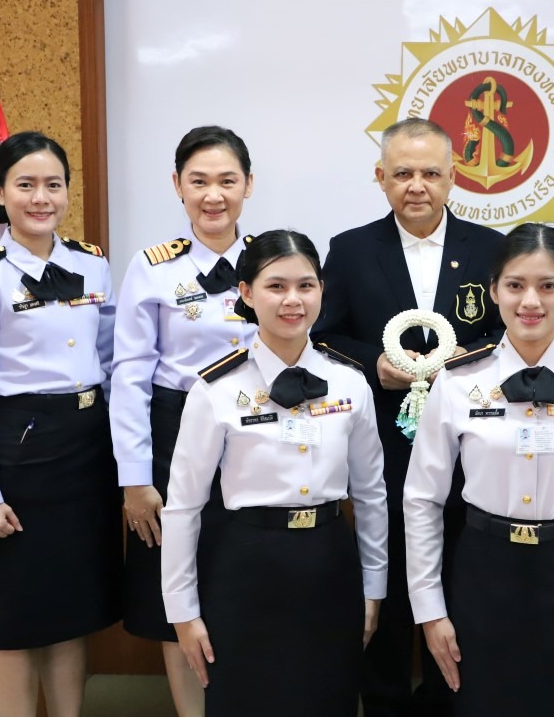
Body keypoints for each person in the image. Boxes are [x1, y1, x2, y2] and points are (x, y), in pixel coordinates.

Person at [404, 222, 554, 717]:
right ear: (493, 291)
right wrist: (429, 609)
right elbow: (423, 500)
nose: (530, 301)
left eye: (548, 286)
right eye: (515, 285)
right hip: (482, 574)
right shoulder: (457, 380)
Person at [312, 117, 505, 717]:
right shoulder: (350, 249)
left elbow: (507, 332)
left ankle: (453, 701)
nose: (416, 185)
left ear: (453, 176)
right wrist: (376, 366)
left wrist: (460, 364)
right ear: (380, 177)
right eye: (402, 173)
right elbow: (326, 334)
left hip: (472, 445)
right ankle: (387, 701)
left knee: (460, 576)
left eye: (429, 173)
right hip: (386, 439)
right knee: (390, 575)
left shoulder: (491, 249)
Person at [160, 229, 388, 713]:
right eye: (276, 286)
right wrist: (182, 611)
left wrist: (373, 589)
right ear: (246, 293)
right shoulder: (217, 389)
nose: (292, 300)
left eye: (306, 285)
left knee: (328, 700)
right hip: (246, 567)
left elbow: (371, 496)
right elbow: (183, 507)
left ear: (322, 291)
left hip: (330, 565)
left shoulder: (349, 383)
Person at [0, 131, 121, 717]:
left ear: (67, 191)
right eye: (25, 185)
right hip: (19, 452)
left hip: (86, 449)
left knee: (70, 611)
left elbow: (110, 361)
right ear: (0, 192)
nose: (41, 198)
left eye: (53, 185)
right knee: (14, 619)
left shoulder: (92, 264)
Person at [110, 125, 257, 716]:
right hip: (174, 431)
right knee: (178, 583)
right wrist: (134, 478)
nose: (213, 195)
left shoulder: (275, 258)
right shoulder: (152, 268)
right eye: (199, 181)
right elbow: (129, 377)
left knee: (246, 578)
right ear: (177, 185)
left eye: (227, 180)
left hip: (257, 430)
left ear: (249, 185)